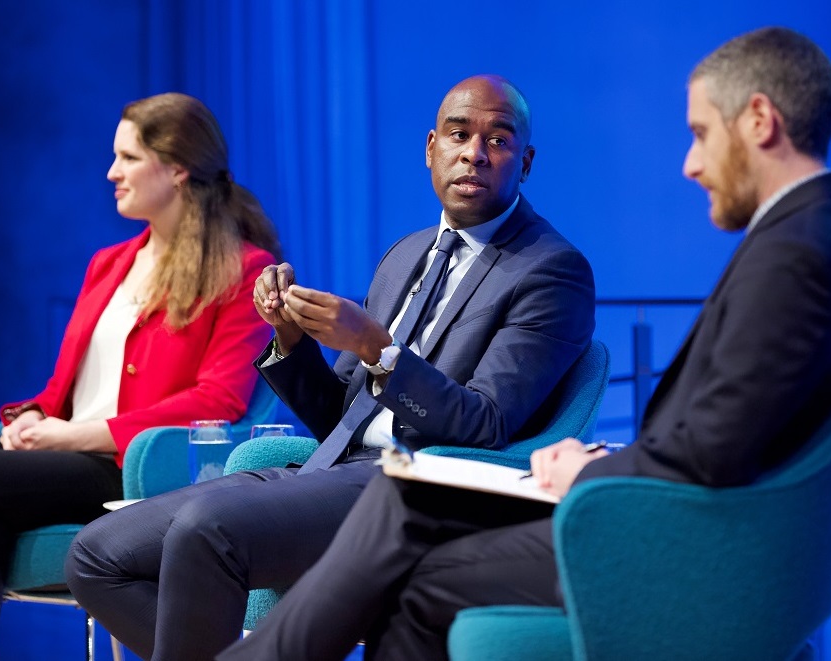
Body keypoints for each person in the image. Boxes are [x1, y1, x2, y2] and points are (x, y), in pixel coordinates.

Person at [214, 27, 831, 661]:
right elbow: (736, 429)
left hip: (691, 546)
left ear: (758, 120)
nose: (689, 164)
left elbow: (717, 448)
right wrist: (608, 457)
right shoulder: (817, 236)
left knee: (408, 518)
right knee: (415, 547)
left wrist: (588, 473)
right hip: (684, 517)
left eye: (699, 134)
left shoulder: (797, 256)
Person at [65, 74, 597, 661]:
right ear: (430, 148)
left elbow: (487, 422)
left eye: (499, 140)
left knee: (206, 529)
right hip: (330, 468)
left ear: (525, 162)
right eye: (459, 133)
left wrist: (378, 349)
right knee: (97, 554)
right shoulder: (405, 255)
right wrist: (292, 340)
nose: (475, 152)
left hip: (413, 485)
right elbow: (337, 416)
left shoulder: (551, 270)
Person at [0, 92, 280, 660]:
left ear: (176, 169)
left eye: (128, 157)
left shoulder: (241, 269)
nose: (111, 172)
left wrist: (70, 435)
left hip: (128, 467)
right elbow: (66, 393)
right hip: (66, 449)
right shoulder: (109, 262)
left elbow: (220, 399)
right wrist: (33, 416)